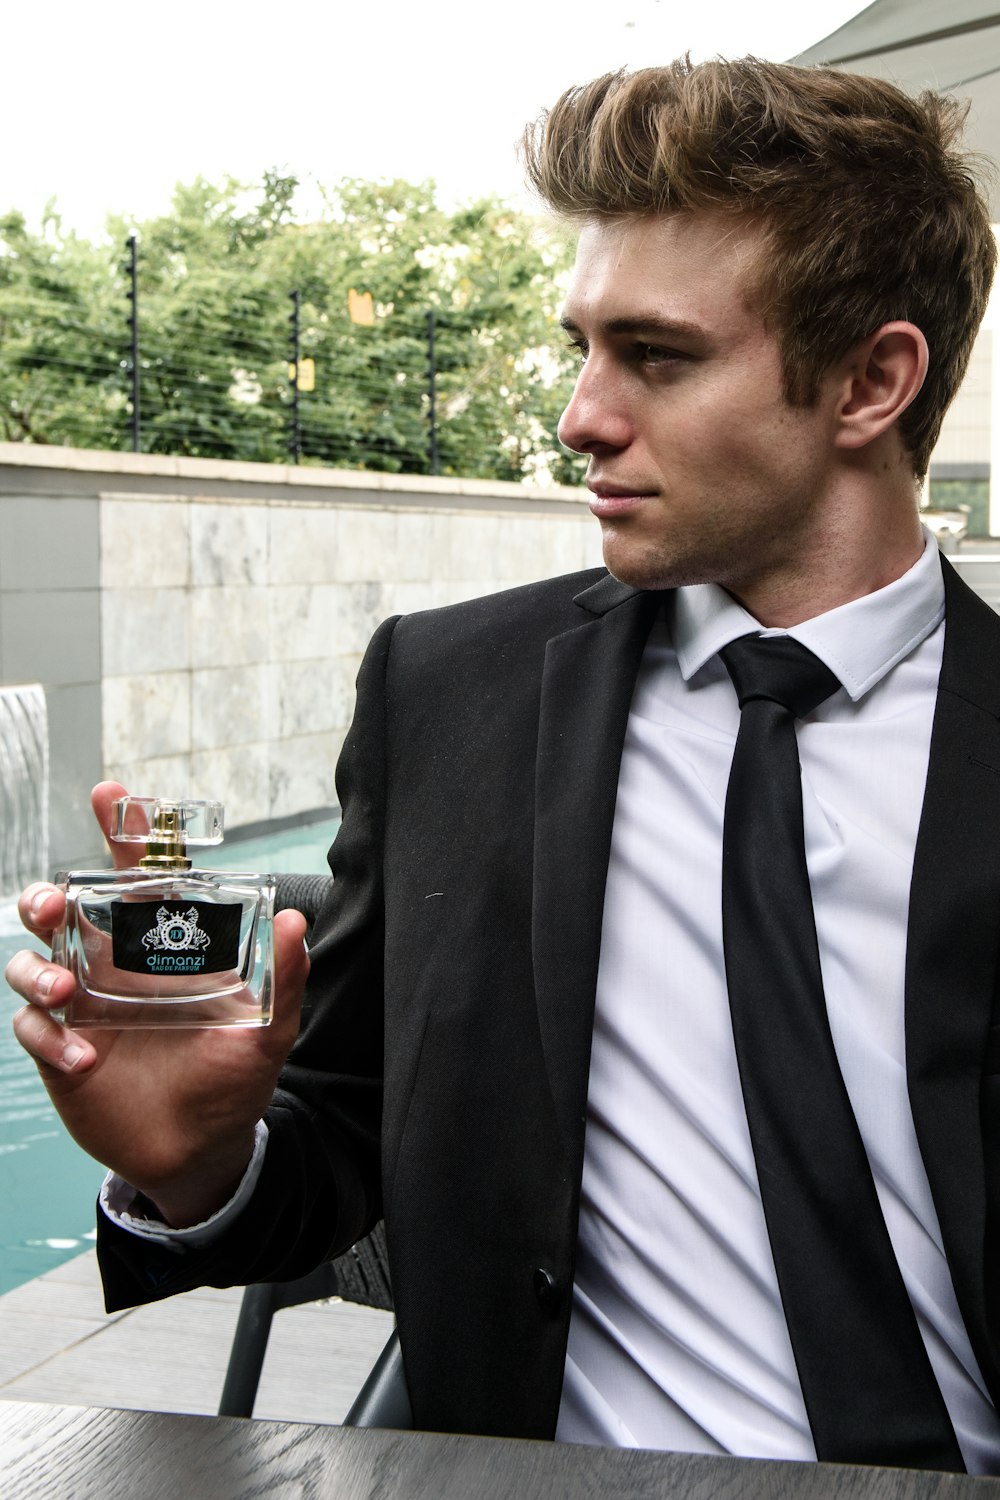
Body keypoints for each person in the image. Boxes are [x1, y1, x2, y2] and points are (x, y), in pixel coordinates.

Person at [8, 56, 1000, 1471]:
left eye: (657, 356)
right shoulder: (448, 695)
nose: (582, 416)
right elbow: (340, 1139)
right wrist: (192, 1162)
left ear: (872, 380)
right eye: (582, 348)